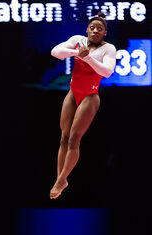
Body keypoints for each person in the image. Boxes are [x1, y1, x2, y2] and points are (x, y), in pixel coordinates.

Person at [50, 12, 116, 199]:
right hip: (73, 93)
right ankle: (59, 178)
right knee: (63, 137)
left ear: (105, 33)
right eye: (92, 27)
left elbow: (108, 71)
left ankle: (63, 179)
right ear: (87, 30)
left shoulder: (109, 48)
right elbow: (55, 52)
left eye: (100, 29)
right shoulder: (78, 40)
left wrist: (88, 58)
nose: (95, 31)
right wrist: (76, 52)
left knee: (74, 139)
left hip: (90, 96)